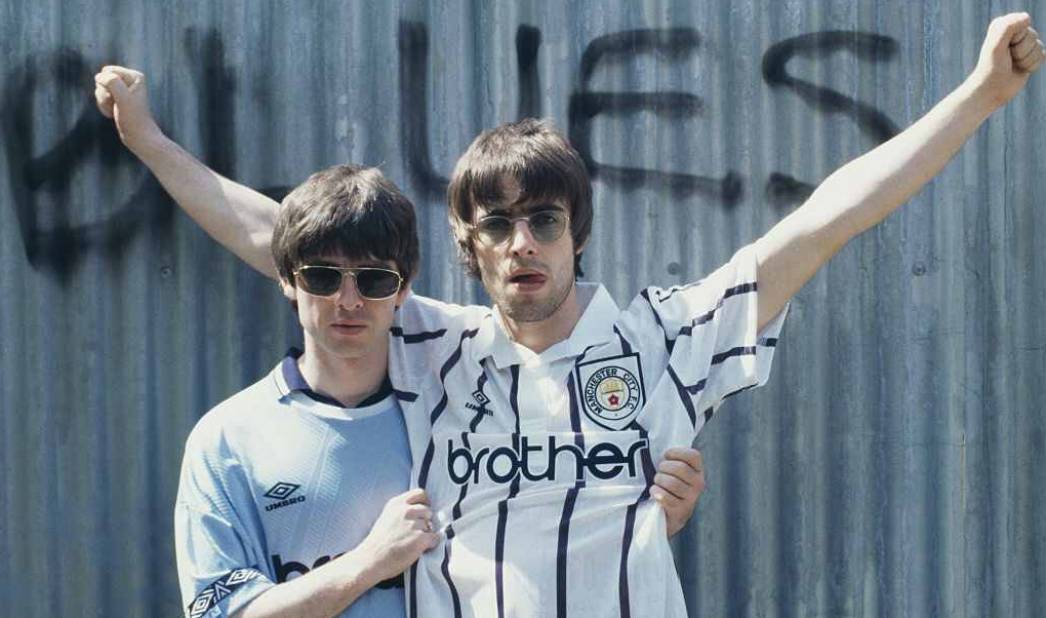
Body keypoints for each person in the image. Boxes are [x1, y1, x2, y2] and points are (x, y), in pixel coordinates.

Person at [96, 12, 1043, 617]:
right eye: (497, 225)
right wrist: (147, 141)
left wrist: (978, 97)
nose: (522, 244)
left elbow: (828, 218)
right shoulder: (435, 344)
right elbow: (283, 236)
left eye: (543, 220)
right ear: (468, 246)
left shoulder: (664, 339)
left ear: (575, 232)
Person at [96, 83, 706, 618]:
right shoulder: (232, 436)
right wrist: (148, 141)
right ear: (291, 279)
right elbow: (277, 234)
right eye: (321, 279)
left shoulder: (454, 379)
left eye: (375, 281)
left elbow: (543, 507)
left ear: (401, 290)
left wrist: (635, 507)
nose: (349, 299)